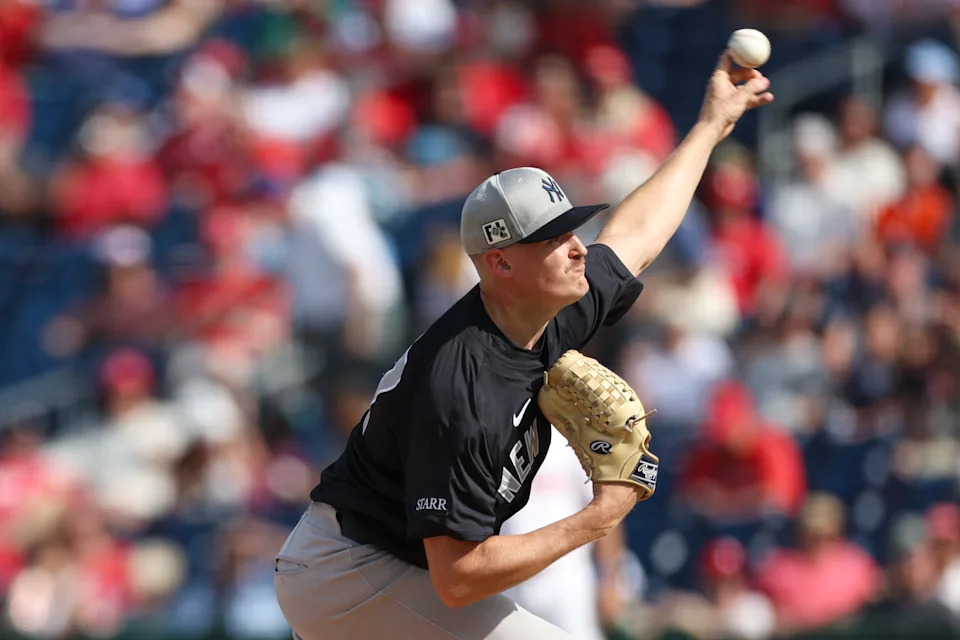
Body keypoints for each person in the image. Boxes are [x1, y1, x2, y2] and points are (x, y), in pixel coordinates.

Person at [273, 53, 773, 640]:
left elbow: (634, 235)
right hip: (350, 574)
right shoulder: (462, 384)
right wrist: (598, 518)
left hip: (385, 567)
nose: (576, 248)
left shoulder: (547, 311)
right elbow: (457, 578)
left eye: (570, 230)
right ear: (500, 261)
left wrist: (712, 124)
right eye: (552, 239)